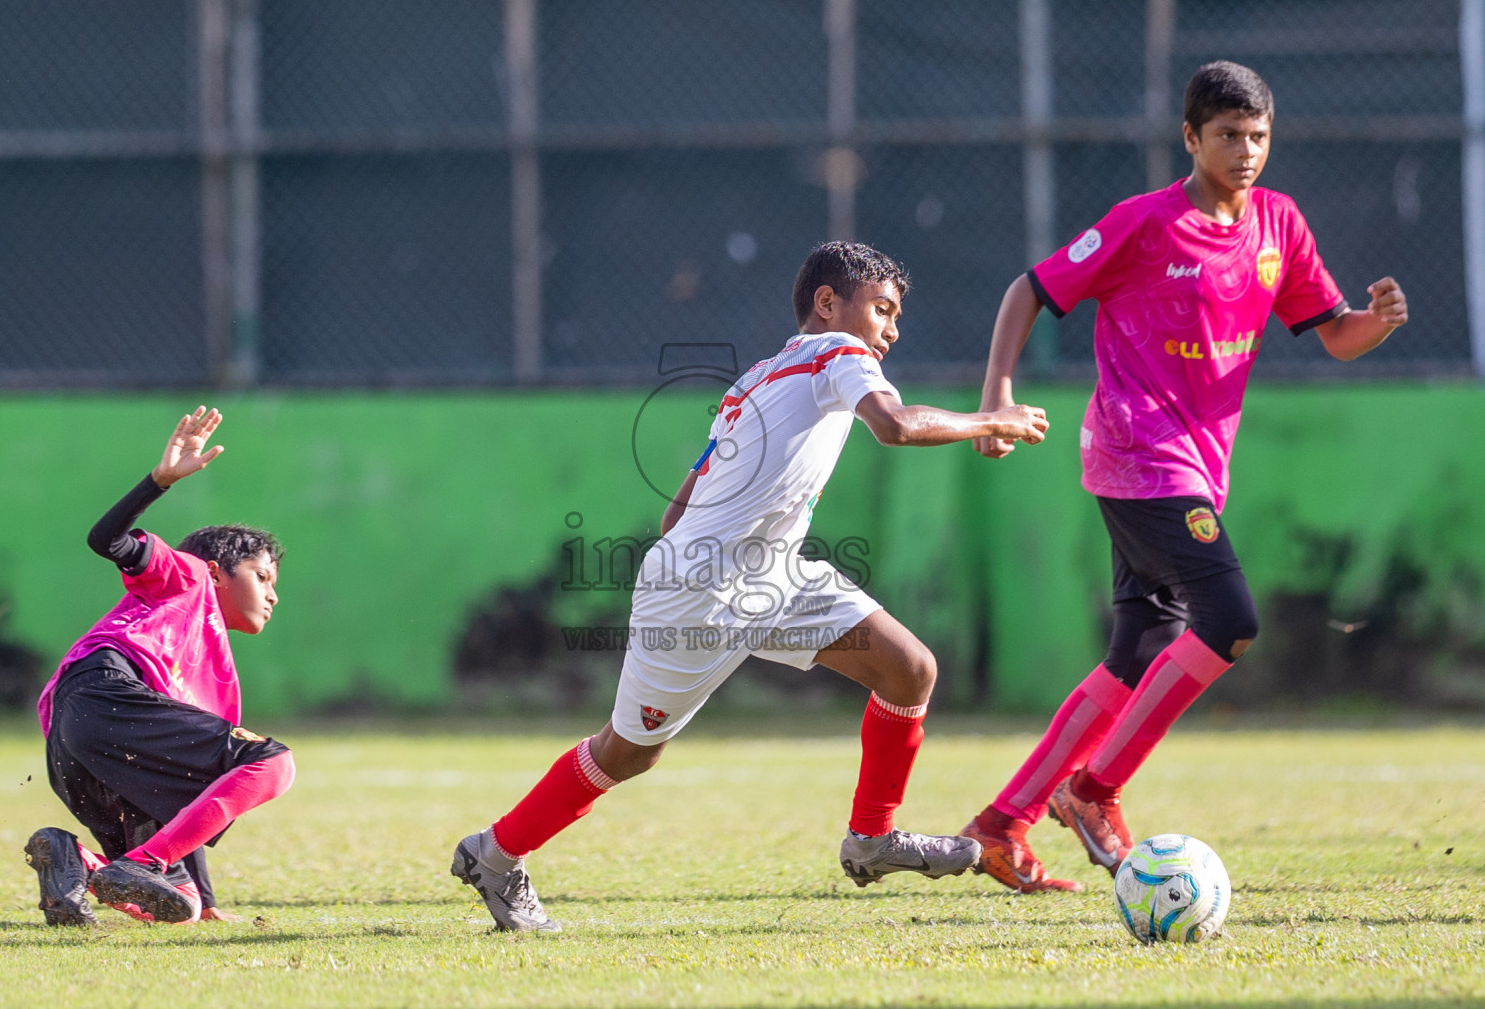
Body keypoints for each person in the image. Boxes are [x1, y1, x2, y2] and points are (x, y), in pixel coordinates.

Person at [450, 241, 1050, 931]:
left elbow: (683, 498)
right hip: (702, 589)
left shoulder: (757, 377)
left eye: (894, 315)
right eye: (881, 310)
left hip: (772, 573)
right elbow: (893, 425)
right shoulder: (838, 355)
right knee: (628, 751)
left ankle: (872, 840)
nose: (891, 329)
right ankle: (493, 854)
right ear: (828, 304)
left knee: (908, 668)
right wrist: (992, 419)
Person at [960, 61, 1408, 893]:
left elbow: (1332, 332)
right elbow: (1028, 290)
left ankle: (999, 825)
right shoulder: (1143, 223)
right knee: (1229, 620)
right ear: (1190, 138)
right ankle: (1093, 793)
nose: (1244, 151)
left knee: (1136, 655)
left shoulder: (1277, 224)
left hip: (1198, 467)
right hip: (1137, 456)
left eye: (1258, 137)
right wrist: (997, 397)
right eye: (1228, 135)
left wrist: (1372, 325)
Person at [25, 407, 296, 925]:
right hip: (106, 694)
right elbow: (105, 540)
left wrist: (212, 905)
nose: (272, 595)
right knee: (273, 762)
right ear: (217, 571)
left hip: (74, 740)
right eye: (263, 577)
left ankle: (75, 862)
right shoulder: (187, 575)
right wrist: (159, 481)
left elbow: (186, 804)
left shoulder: (204, 665)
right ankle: (143, 862)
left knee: (181, 906)